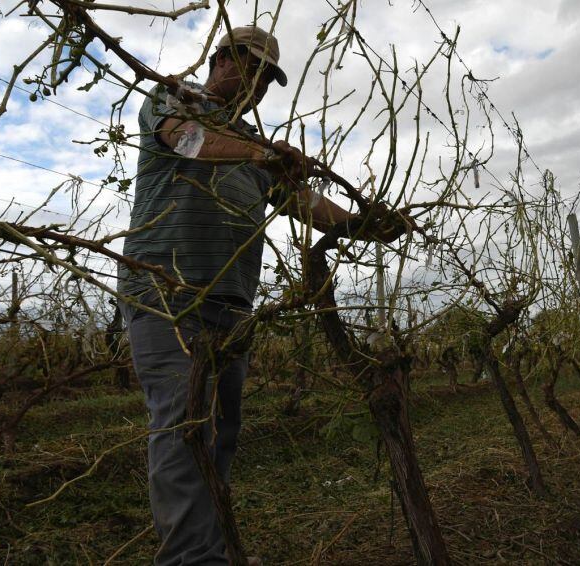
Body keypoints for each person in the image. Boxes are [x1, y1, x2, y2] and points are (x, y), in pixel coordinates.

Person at [117, 25, 401, 565]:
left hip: (232, 304)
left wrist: (366, 226)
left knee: (221, 433)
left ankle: (211, 546)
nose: (257, 86)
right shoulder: (175, 98)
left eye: (267, 80)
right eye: (251, 69)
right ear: (221, 59)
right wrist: (261, 154)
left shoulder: (254, 148)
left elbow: (304, 203)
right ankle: (194, 560)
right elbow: (188, 141)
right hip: (165, 295)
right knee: (183, 428)